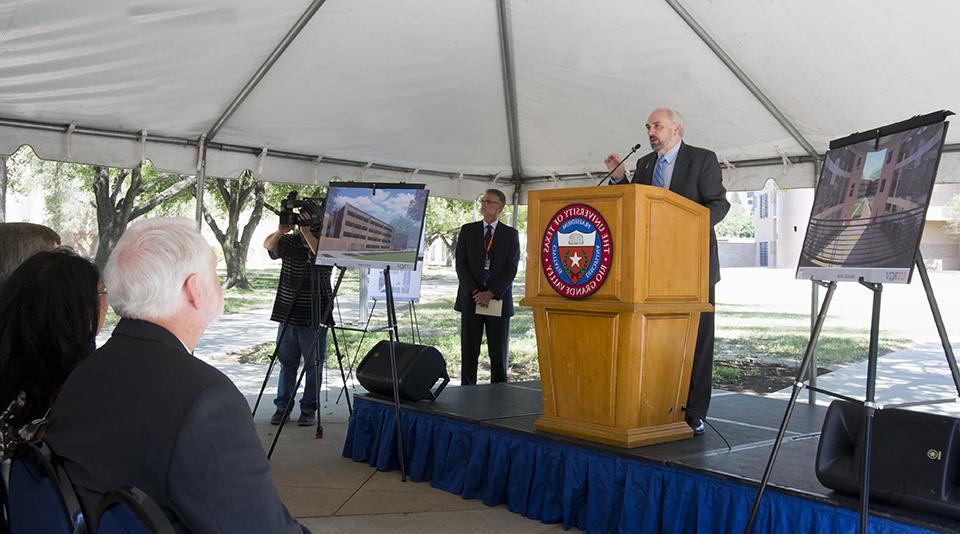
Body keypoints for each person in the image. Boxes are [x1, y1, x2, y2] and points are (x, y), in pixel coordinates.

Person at [45, 218, 309, 533]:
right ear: (194, 288)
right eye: (214, 273)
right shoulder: (207, 401)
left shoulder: (86, 372)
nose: (220, 284)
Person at [604, 107, 730, 435]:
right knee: (659, 339)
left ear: (677, 128)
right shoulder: (646, 164)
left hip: (693, 264)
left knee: (696, 340)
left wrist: (687, 227)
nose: (651, 132)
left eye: (657, 125)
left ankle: (695, 411)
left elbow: (719, 204)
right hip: (653, 266)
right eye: (648, 126)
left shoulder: (702, 159)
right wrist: (620, 180)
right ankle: (658, 404)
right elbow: (637, 204)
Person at [0, 249, 106, 460]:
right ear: (74, 314)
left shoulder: (12, 365)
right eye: (102, 293)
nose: (105, 302)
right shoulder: (83, 392)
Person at [263, 211, 333, 426]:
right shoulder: (290, 242)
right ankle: (282, 407)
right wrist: (281, 231)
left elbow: (320, 255)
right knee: (287, 363)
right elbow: (268, 246)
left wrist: (306, 231)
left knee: (314, 365)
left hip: (314, 316)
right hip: (287, 314)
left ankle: (309, 409)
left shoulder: (327, 243)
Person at [454, 189, 521, 385]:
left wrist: (490, 293)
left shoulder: (510, 235)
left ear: (499, 207)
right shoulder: (468, 230)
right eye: (482, 201)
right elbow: (461, 265)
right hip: (471, 299)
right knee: (469, 351)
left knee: (498, 353)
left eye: (489, 201)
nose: (483, 204)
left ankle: (498, 395)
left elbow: (511, 268)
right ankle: (467, 393)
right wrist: (476, 292)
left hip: (497, 300)